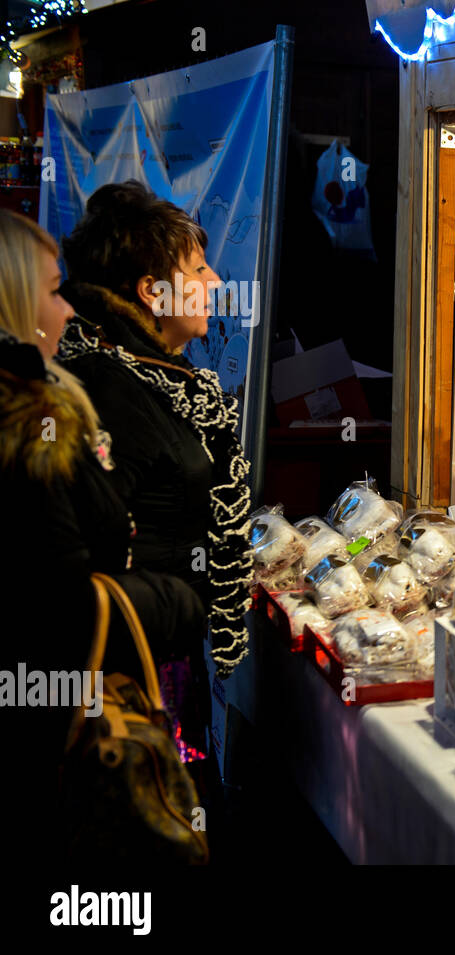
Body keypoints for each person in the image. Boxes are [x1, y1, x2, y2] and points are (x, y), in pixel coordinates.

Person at [0, 210, 206, 858]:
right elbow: (58, 604)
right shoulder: (31, 427)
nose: (68, 311)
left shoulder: (52, 402)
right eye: (53, 292)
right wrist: (175, 601)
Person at [56, 181, 253, 791]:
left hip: (165, 651)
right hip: (135, 670)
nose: (217, 281)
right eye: (197, 268)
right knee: (156, 819)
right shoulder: (108, 385)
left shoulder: (156, 373)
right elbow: (92, 551)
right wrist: (181, 605)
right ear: (152, 291)